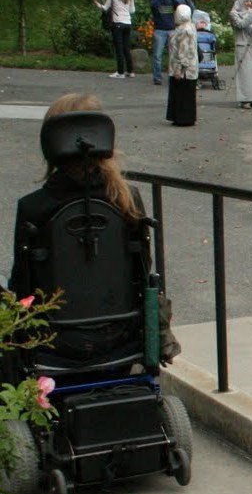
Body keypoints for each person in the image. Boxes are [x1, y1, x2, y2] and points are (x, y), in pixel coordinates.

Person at [9, 93, 180, 363]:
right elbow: (141, 269)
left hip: (55, 346)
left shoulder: (34, 208)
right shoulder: (127, 200)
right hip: (121, 338)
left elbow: (22, 285)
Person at [93, 0, 136, 78]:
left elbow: (105, 8)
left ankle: (120, 72)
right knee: (126, 48)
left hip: (117, 24)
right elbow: (132, 10)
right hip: (127, 23)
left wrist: (96, 2)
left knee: (119, 49)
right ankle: (130, 71)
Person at [165, 4, 198, 127]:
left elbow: (184, 51)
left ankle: (183, 118)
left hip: (185, 69)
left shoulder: (185, 30)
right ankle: (179, 117)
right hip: (184, 66)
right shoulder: (188, 27)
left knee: (183, 93)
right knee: (180, 93)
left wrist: (179, 69)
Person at [149, 0, 176, 85]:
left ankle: (173, 76)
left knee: (173, 55)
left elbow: (177, 4)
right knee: (157, 55)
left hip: (171, 29)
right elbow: (153, 6)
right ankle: (157, 77)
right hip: (159, 30)